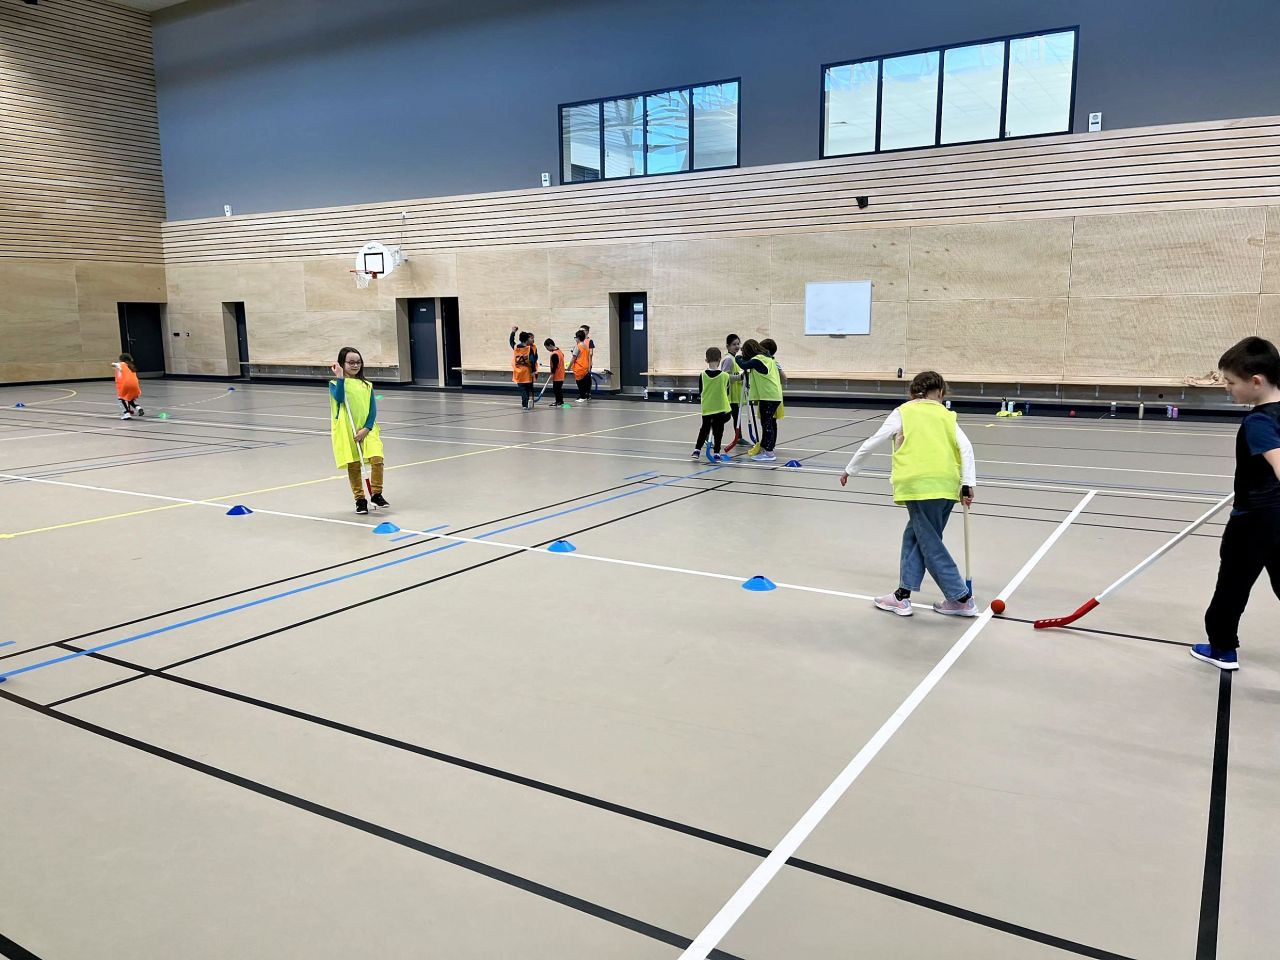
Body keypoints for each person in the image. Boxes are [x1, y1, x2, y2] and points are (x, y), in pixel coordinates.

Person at [840, 370, 978, 617]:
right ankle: (902, 596)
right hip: (948, 486)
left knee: (930, 544)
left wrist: (851, 468)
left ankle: (961, 598)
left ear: (913, 392)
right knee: (915, 537)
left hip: (919, 486)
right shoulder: (947, 415)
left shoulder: (903, 412)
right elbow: (965, 448)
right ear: (941, 392)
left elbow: (875, 440)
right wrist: (967, 484)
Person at [1193, 336, 1280, 671]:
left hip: (1253, 520)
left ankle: (1222, 648)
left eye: (1231, 382)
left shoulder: (1259, 422)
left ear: (1256, 381)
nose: (1227, 389)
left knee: (1232, 585)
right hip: (1273, 518)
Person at [329, 346, 388, 515]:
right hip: (348, 429)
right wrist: (340, 377)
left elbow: (373, 409)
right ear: (342, 364)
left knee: (377, 458)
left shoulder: (367, 385)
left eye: (358, 362)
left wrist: (367, 428)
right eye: (351, 362)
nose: (355, 365)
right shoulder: (335, 384)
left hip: (368, 429)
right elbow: (340, 398)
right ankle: (360, 499)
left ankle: (376, 494)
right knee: (354, 464)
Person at [734, 339, 783, 462]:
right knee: (769, 423)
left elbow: (743, 364)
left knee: (766, 424)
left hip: (769, 396)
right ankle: (767, 448)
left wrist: (737, 357)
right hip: (773, 395)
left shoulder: (758, 360)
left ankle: (769, 452)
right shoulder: (767, 358)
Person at [694, 346, 732, 460]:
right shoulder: (725, 376)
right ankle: (716, 452)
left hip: (707, 407)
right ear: (720, 359)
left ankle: (697, 450)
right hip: (720, 407)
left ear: (706, 360)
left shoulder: (702, 375)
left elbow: (701, 391)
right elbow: (727, 391)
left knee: (704, 429)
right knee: (718, 430)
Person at [509, 325, 539, 410]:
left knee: (522, 389)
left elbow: (511, 341)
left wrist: (513, 332)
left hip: (518, 372)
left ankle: (525, 404)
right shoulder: (529, 349)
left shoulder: (516, 347)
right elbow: (532, 360)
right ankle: (528, 402)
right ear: (527, 339)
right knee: (529, 388)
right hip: (527, 372)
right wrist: (533, 370)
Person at [722, 334, 743, 447]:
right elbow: (724, 376)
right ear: (728, 346)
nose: (737, 346)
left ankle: (739, 438)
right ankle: (707, 432)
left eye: (738, 344)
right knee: (725, 417)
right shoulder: (729, 359)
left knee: (737, 416)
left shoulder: (735, 359)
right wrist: (739, 377)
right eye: (734, 344)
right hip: (729, 395)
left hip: (735, 395)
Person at [112, 353, 144, 420]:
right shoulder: (131, 366)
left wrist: (112, 364)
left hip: (125, 385)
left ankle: (126, 414)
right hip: (135, 385)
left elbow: (114, 364)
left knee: (121, 399)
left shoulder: (122, 364)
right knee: (130, 398)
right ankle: (138, 408)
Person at [570, 329, 592, 402]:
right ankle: (586, 396)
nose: (575, 339)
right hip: (585, 367)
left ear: (578, 338)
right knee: (585, 383)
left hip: (579, 368)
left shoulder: (578, 346)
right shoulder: (586, 346)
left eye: (575, 337)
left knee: (580, 383)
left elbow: (574, 358)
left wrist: (569, 367)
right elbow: (588, 357)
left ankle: (582, 397)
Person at [543, 338, 565, 407]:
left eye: (547, 348)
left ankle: (558, 401)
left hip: (557, 374)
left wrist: (552, 373)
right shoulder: (559, 351)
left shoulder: (554, 354)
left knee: (556, 389)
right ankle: (560, 401)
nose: (547, 349)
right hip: (561, 374)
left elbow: (555, 365)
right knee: (558, 389)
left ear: (550, 345)